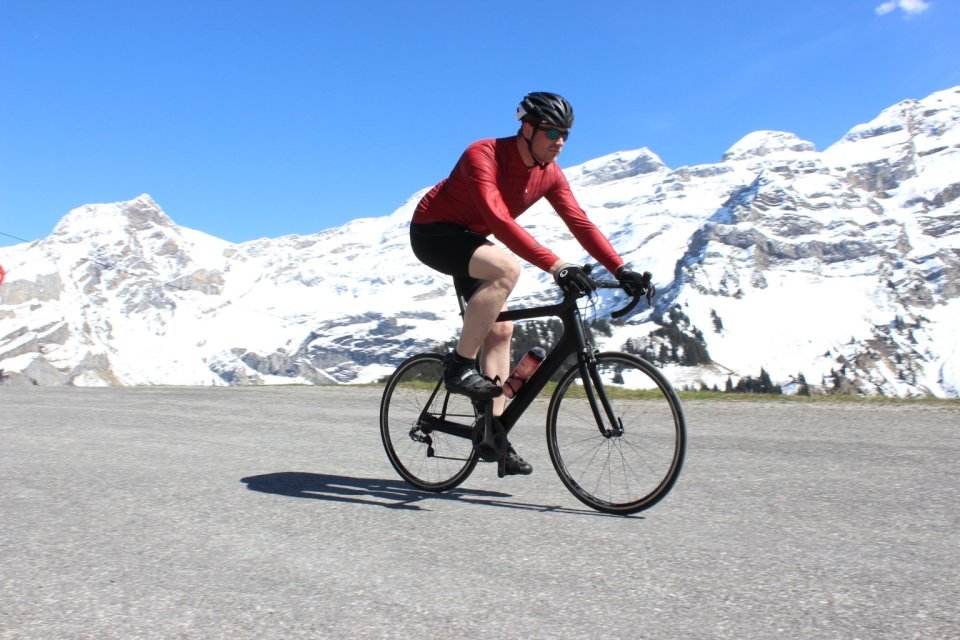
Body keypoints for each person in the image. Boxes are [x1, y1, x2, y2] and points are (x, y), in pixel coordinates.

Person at [409, 91, 651, 475]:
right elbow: (500, 220)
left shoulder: (549, 174)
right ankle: (458, 367)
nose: (560, 142)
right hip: (433, 233)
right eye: (552, 132)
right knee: (506, 268)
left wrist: (620, 269)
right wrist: (557, 266)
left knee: (502, 330)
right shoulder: (483, 154)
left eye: (566, 135)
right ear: (527, 128)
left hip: (471, 238)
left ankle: (493, 435)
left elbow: (580, 223)